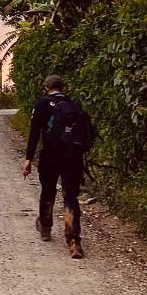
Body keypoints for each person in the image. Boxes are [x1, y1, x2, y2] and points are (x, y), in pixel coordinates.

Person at [22, 75, 93, 259]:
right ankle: (73, 242)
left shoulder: (42, 105)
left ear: (46, 88)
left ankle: (45, 227)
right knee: (70, 196)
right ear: (63, 87)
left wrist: (28, 159)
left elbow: (34, 133)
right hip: (73, 157)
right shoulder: (74, 106)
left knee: (48, 190)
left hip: (50, 156)